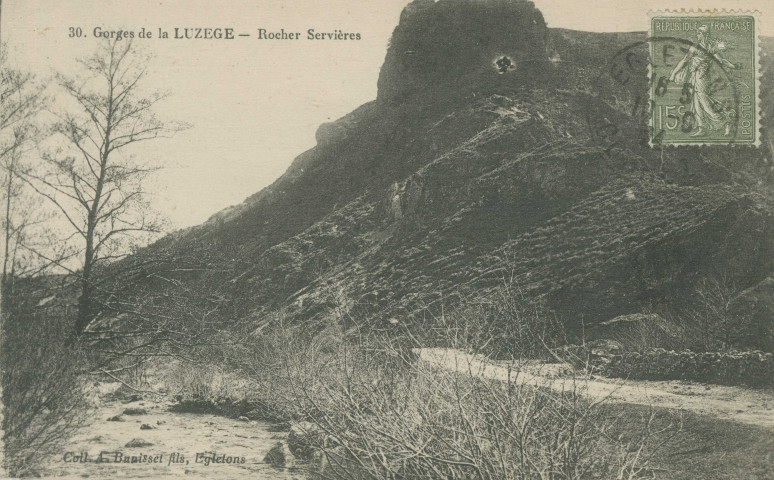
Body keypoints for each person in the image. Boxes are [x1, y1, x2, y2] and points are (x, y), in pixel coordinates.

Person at [668, 25, 740, 136]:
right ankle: (702, 128)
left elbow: (721, 60)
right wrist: (673, 73)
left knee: (704, 102)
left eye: (700, 32)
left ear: (705, 34)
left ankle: (725, 120)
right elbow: (684, 60)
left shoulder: (710, 47)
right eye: (697, 32)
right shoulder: (695, 47)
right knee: (696, 103)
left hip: (703, 78)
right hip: (694, 77)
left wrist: (733, 66)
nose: (698, 34)